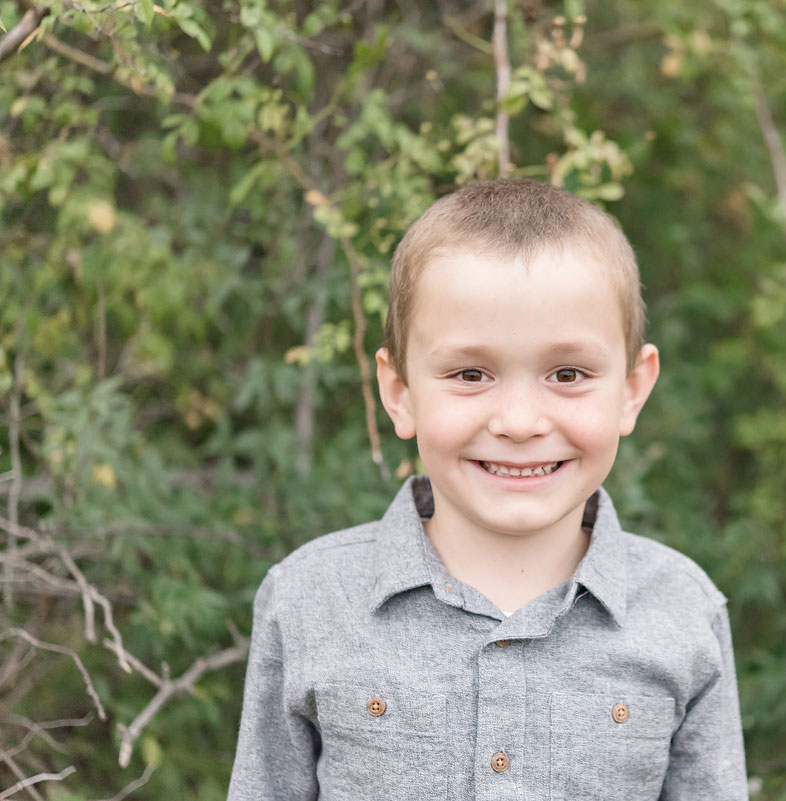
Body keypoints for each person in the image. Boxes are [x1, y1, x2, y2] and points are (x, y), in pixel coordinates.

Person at [227, 178, 748, 800]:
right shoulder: (309, 599)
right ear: (399, 393)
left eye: (568, 373)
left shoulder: (683, 612)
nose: (520, 423)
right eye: (470, 374)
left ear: (632, 389)